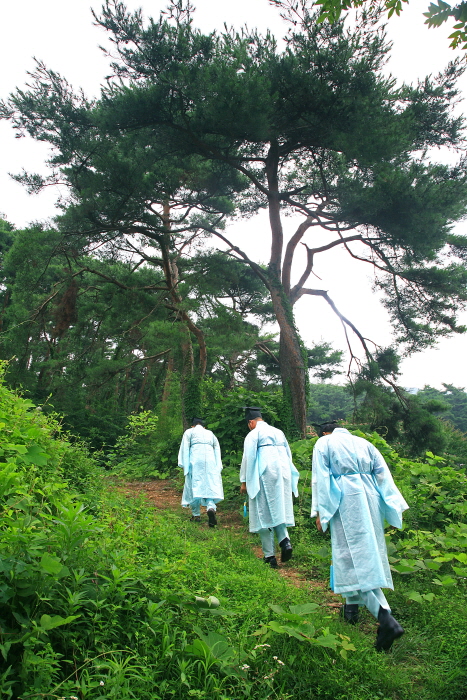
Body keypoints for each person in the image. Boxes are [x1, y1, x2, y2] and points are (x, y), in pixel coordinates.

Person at [311, 422, 409, 652]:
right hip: (371, 498)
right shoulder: (366, 444)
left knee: (352, 558)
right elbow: (383, 475)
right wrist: (391, 503)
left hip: (346, 500)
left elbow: (321, 478)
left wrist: (320, 511)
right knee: (366, 551)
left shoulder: (324, 443)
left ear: (325, 432)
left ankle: (385, 618)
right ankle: (351, 609)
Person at [240, 407, 299, 568]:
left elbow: (248, 457)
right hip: (283, 472)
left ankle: (269, 556)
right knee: (279, 508)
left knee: (262, 513)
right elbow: (289, 454)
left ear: (251, 422)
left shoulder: (253, 434)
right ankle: (285, 541)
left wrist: (244, 481)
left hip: (264, 474)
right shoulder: (279, 432)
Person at [178, 417, 224, 527]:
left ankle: (196, 515)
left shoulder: (189, 432)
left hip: (195, 460)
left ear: (192, 426)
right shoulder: (210, 433)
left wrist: (185, 464)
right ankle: (210, 507)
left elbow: (185, 448)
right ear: (204, 426)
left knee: (194, 485)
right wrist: (218, 465)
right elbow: (217, 448)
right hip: (210, 461)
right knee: (209, 485)